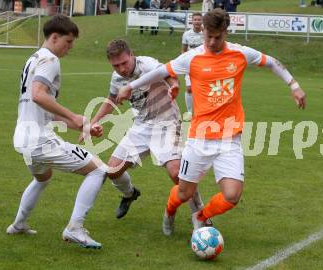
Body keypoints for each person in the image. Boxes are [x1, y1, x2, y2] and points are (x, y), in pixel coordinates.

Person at [116, 9, 306, 236]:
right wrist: (130, 86)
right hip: (199, 139)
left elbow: (272, 62)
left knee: (232, 195)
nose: (213, 42)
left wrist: (293, 85)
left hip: (230, 139)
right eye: (209, 37)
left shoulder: (240, 54)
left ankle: (201, 216)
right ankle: (169, 210)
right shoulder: (192, 57)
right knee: (184, 193)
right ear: (203, 32)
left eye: (218, 37)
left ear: (226, 32)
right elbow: (160, 72)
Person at [7, 15, 106, 249]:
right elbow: (38, 94)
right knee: (99, 170)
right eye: (68, 42)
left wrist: (82, 125)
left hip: (23, 137)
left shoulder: (33, 59)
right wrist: (73, 116)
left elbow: (43, 108)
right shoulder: (50, 59)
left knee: (42, 178)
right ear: (54, 37)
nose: (70, 48)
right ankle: (75, 228)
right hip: (39, 139)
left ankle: (19, 224)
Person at [86, 39, 210, 223]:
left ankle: (200, 215)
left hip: (167, 123)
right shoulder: (117, 78)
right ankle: (129, 194)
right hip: (141, 126)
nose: (121, 69)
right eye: (116, 65)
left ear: (132, 55)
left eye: (124, 63)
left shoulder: (147, 64)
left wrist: (174, 85)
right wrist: (91, 124)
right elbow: (111, 100)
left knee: (177, 174)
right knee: (113, 170)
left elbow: (168, 73)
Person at [181, 12, 203, 121]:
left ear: (202, 21)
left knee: (203, 88)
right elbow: (184, 50)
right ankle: (189, 112)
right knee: (189, 89)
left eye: (199, 19)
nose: (197, 21)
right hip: (190, 65)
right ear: (192, 21)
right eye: (195, 19)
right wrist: (182, 62)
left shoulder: (206, 34)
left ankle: (203, 112)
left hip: (204, 65)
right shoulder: (186, 34)